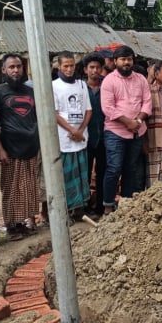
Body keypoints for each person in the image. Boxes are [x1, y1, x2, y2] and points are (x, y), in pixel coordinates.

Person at [0, 54, 42, 239]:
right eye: (11, 67)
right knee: (12, 189)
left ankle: (22, 223)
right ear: (4, 70)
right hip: (10, 149)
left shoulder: (30, 91)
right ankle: (11, 227)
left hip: (31, 148)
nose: (16, 70)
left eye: (18, 66)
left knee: (28, 188)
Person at [100, 46, 151, 215]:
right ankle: (108, 205)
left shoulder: (141, 80)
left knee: (131, 168)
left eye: (129, 59)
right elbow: (108, 108)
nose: (126, 62)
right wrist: (127, 122)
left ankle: (126, 205)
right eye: (122, 59)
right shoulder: (109, 81)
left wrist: (137, 121)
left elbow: (147, 102)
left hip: (137, 131)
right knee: (114, 168)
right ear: (115, 62)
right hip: (115, 132)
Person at [53, 52, 92, 219]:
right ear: (59, 67)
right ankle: (67, 210)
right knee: (68, 175)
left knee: (82, 174)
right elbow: (54, 113)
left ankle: (79, 209)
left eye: (72, 65)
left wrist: (81, 130)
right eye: (65, 66)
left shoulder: (82, 85)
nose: (69, 69)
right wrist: (72, 130)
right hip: (65, 138)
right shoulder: (54, 86)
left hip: (81, 137)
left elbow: (88, 110)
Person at [83, 53, 107, 217]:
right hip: (84, 137)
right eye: (91, 67)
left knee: (102, 172)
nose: (95, 70)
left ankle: (100, 206)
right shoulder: (80, 88)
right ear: (85, 70)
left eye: (98, 67)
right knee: (84, 173)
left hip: (105, 137)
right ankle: (84, 207)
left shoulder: (107, 87)